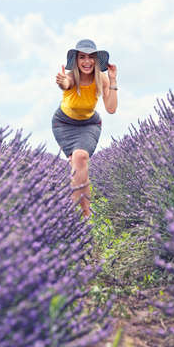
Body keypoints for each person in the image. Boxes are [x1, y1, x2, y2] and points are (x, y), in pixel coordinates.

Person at [52, 39, 118, 218]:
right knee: (77, 164)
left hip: (89, 124)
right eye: (82, 57)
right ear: (76, 60)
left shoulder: (101, 79)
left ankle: (83, 215)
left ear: (96, 60)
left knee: (80, 158)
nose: (87, 62)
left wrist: (112, 80)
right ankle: (78, 216)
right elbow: (65, 84)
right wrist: (62, 81)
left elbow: (111, 109)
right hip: (64, 124)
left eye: (90, 57)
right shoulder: (72, 77)